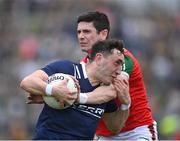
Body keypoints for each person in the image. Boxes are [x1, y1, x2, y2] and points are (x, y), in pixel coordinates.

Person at [27, 11, 158, 140]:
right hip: (104, 134)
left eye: (87, 32)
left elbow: (112, 90)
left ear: (103, 34)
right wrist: (52, 96)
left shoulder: (122, 58)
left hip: (135, 130)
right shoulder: (84, 65)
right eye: (79, 32)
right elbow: (73, 93)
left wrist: (71, 97)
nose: (81, 36)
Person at [20, 39, 131, 140]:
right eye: (117, 63)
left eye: (121, 65)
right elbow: (27, 82)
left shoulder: (105, 92)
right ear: (99, 59)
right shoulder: (67, 69)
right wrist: (53, 90)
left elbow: (114, 127)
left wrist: (125, 104)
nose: (119, 71)